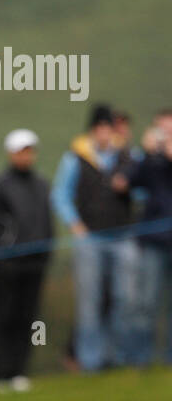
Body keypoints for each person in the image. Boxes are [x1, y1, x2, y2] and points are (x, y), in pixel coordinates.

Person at [51, 104, 139, 371]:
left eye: (108, 128)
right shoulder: (75, 159)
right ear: (92, 130)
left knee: (124, 299)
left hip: (123, 237)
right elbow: (60, 195)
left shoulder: (128, 157)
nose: (104, 134)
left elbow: (144, 190)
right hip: (90, 240)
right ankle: (91, 361)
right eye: (99, 128)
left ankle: (118, 357)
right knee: (90, 302)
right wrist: (75, 224)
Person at [0, 129, 53, 390]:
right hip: (7, 263)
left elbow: (47, 221)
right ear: (11, 153)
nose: (26, 156)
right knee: (3, 316)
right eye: (21, 151)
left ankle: (17, 370)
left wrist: (46, 252)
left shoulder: (42, 184)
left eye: (30, 150)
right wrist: (1, 253)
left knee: (28, 318)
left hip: (36, 262)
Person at [124, 109, 172, 364]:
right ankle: (140, 359)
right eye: (161, 130)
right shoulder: (148, 161)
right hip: (153, 240)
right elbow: (127, 182)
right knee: (146, 302)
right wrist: (146, 155)